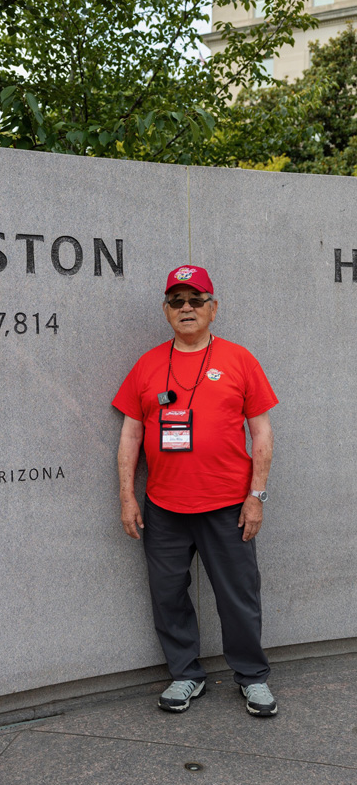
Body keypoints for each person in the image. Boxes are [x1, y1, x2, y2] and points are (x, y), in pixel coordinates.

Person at [112, 265, 278, 717]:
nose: (187, 308)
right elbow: (129, 435)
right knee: (167, 594)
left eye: (196, 300)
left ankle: (252, 677)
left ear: (213, 308)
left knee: (238, 595)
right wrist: (127, 496)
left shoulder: (240, 360)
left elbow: (261, 433)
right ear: (166, 310)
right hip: (163, 507)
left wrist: (256, 496)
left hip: (228, 505)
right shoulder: (147, 365)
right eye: (177, 301)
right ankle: (185, 673)